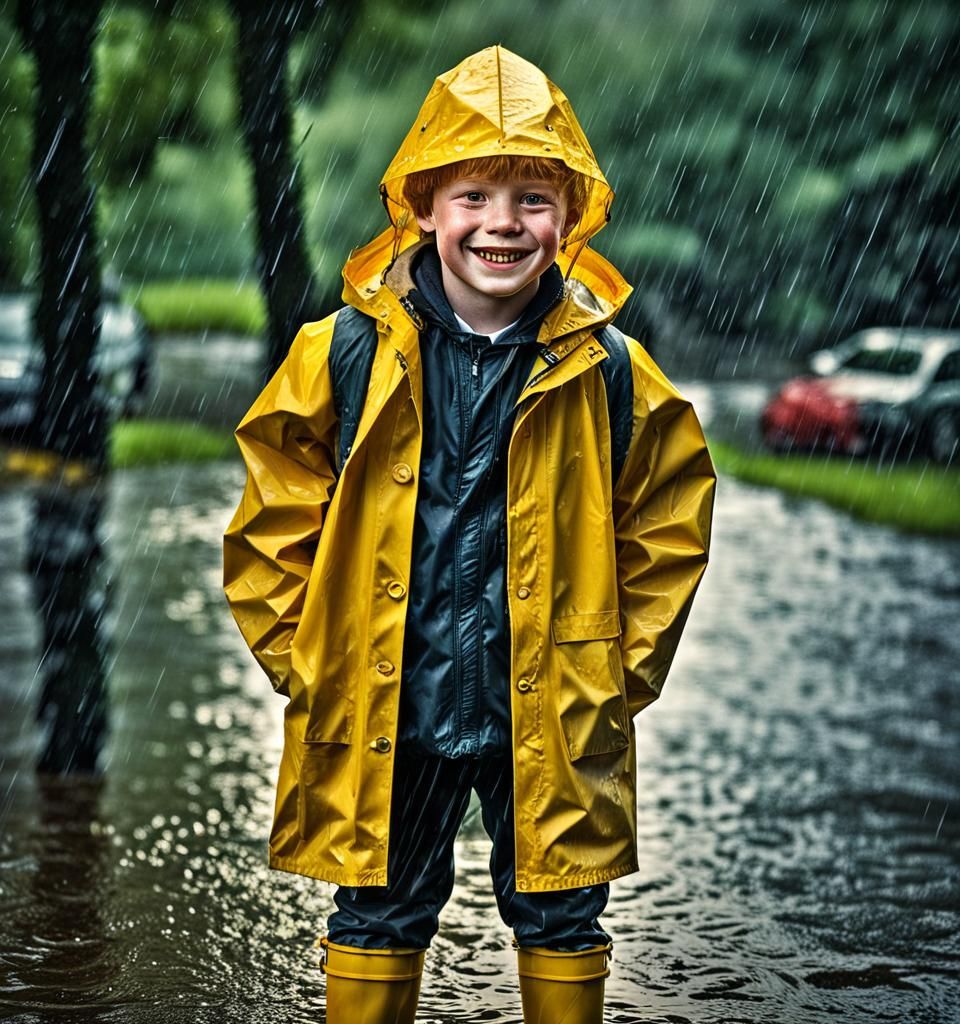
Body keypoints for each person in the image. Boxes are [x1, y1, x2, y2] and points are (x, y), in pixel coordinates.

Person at [223, 45, 715, 1024]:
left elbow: (669, 516)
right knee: (374, 911)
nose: (502, 224)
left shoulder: (610, 368)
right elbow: (272, 511)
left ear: (569, 218)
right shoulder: (341, 353)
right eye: (474, 195)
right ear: (422, 209)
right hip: (386, 696)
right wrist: (308, 657)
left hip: (549, 698)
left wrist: (615, 670)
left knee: (564, 915)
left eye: (533, 199)